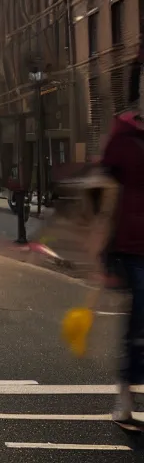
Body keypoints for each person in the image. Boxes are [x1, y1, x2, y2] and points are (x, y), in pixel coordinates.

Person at [100, 59, 144, 425]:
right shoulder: (125, 136)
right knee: (140, 321)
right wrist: (103, 243)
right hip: (134, 245)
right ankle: (126, 393)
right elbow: (105, 192)